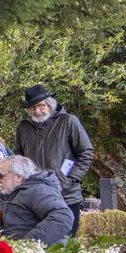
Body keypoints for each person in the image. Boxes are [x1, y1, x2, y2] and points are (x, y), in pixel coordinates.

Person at [15, 85, 94, 237]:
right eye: (32, 108)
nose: (36, 111)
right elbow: (19, 159)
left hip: (66, 196)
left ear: (50, 104)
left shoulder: (69, 121)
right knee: (37, 247)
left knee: (64, 245)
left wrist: (70, 179)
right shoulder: (23, 128)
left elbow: (86, 152)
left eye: (40, 106)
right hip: (34, 197)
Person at [0, 156, 74, 245]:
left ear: (18, 177)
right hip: (11, 252)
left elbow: (63, 217)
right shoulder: (7, 193)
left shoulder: (39, 191)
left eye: (1, 175)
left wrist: (28, 244)